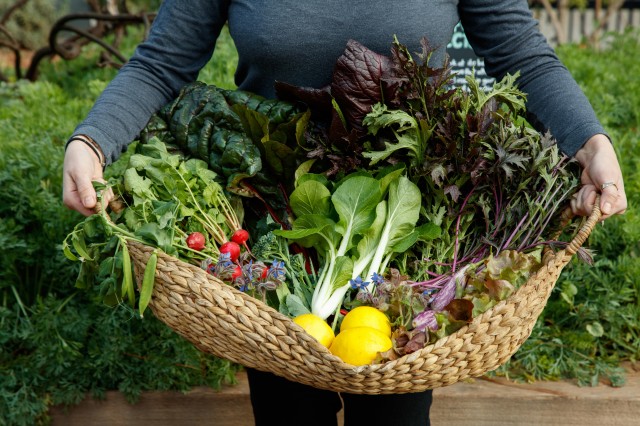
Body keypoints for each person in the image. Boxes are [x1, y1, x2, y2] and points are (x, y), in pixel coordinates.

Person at [62, 1, 628, 425]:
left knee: (396, 416)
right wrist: (92, 142)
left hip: (403, 238)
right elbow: (161, 63)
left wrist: (591, 143)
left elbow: (523, 56)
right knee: (287, 412)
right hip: (279, 237)